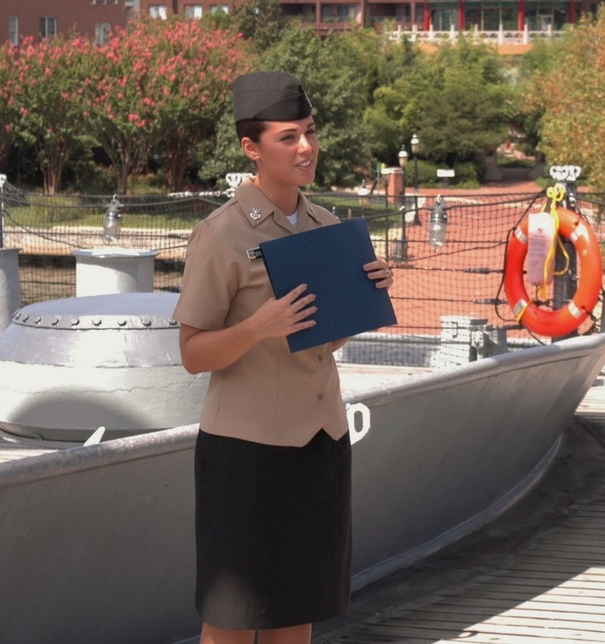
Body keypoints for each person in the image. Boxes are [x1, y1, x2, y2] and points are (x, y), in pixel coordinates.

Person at [173, 71, 394, 644]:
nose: (307, 148)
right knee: (233, 616)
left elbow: (320, 341)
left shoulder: (326, 227)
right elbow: (193, 354)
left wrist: (364, 296)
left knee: (297, 610)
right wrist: (256, 327)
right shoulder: (219, 236)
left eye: (311, 133)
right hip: (245, 453)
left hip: (321, 441)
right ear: (252, 147)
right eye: (288, 137)